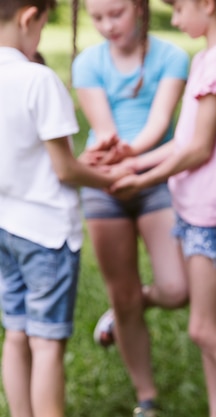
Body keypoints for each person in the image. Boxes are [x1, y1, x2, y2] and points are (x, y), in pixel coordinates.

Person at [109, 0, 216, 416]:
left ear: (207, 5)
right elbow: (183, 142)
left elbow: (199, 150)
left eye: (179, 8)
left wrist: (142, 181)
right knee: (208, 325)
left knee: (205, 329)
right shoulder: (208, 57)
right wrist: (132, 160)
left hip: (211, 214)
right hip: (193, 207)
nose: (175, 19)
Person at [0, 1, 131, 416]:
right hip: (46, 234)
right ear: (28, 17)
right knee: (47, 344)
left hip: (4, 226)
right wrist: (112, 179)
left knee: (16, 334)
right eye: (41, 25)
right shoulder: (38, 79)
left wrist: (81, 164)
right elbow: (63, 170)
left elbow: (32, 155)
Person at [70, 0, 189, 415]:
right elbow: (103, 128)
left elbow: (157, 126)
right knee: (122, 296)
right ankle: (146, 398)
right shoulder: (87, 63)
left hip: (154, 177)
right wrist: (109, 157)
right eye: (97, 17)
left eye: (116, 13)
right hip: (104, 185)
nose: (107, 26)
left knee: (177, 290)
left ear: (139, 7)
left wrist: (129, 158)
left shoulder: (172, 57)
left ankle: (132, 304)